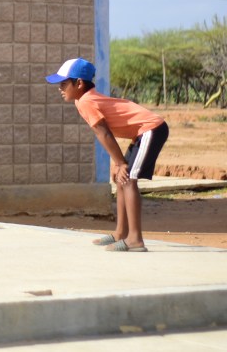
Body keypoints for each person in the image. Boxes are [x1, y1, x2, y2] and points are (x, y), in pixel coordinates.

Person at [46, 57, 169, 252]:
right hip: (143, 132)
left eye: (63, 83)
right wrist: (118, 163)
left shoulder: (86, 101)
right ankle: (121, 233)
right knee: (122, 179)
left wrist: (120, 163)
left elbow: (103, 133)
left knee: (128, 179)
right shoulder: (82, 100)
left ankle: (135, 240)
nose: (60, 88)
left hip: (151, 129)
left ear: (79, 83)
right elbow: (104, 134)